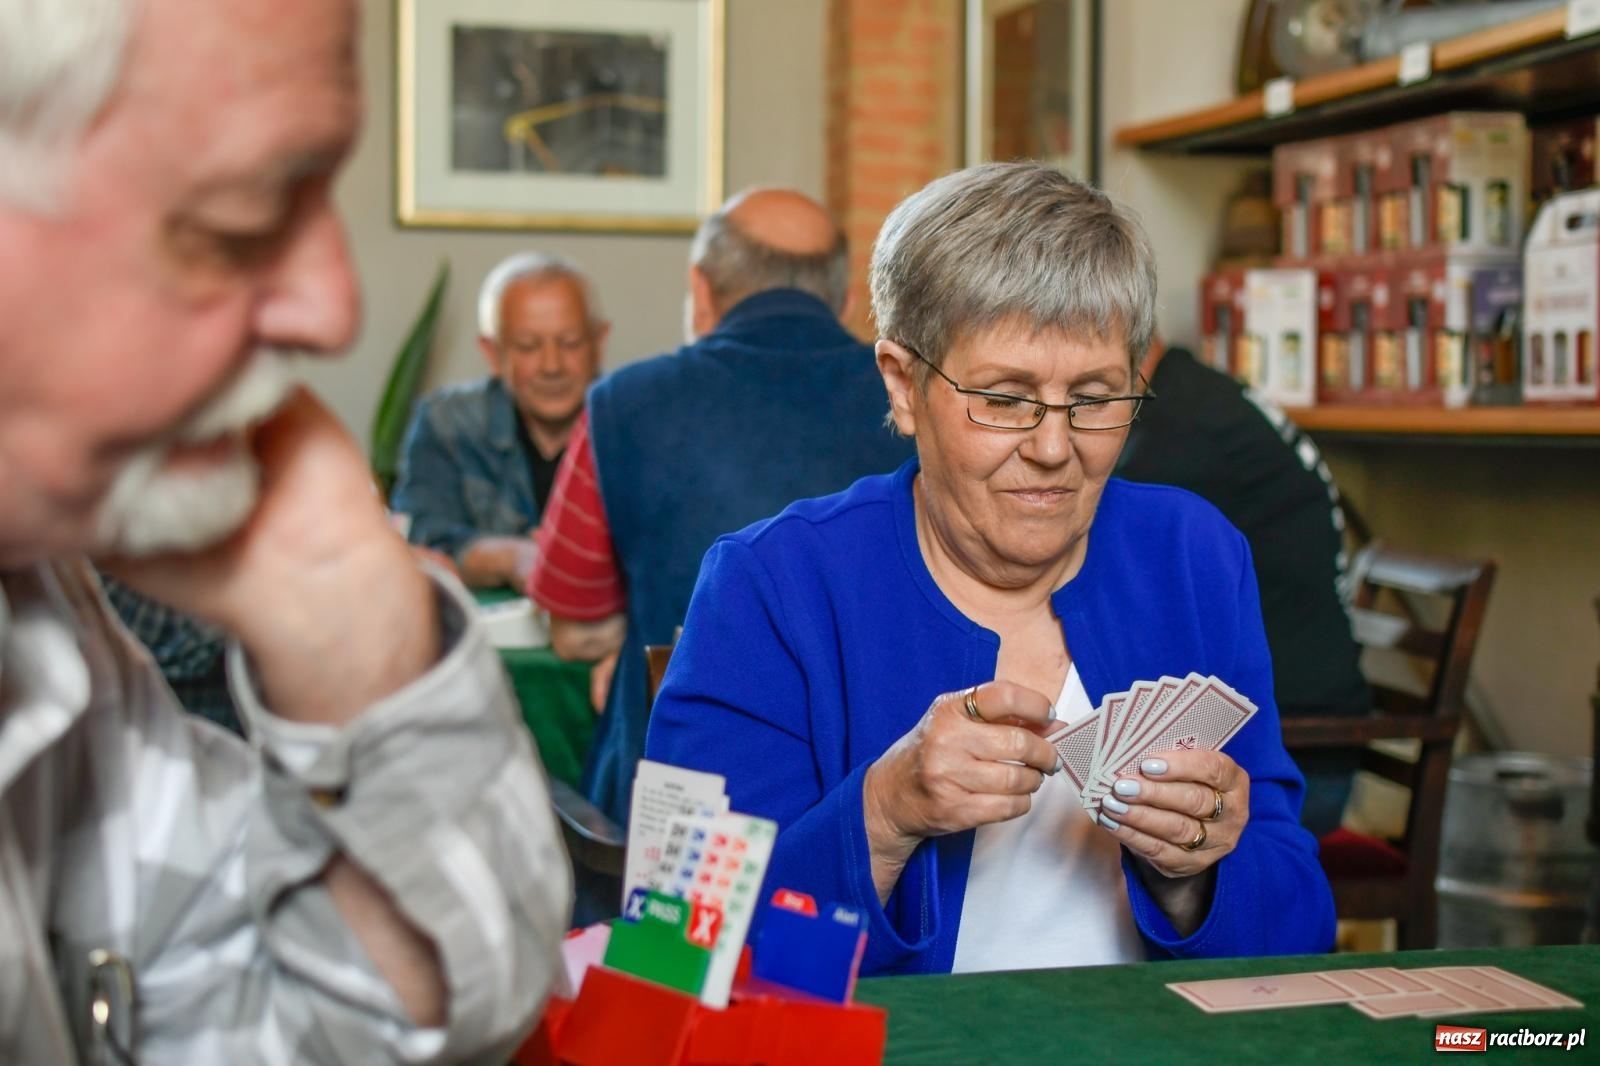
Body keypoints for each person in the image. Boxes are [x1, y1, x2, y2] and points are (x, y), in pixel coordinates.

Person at [0, 0, 570, 1061]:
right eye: (238, 220)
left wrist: (345, 609)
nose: (335, 307)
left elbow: (338, 1025)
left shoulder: (45, 614)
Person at [646, 163, 1334, 976]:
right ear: (903, 387)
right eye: (1004, 398)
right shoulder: (773, 587)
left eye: (1094, 397)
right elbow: (679, 941)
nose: (1053, 448)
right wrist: (884, 813)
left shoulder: (1193, 556)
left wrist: (1200, 874)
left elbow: (1300, 924)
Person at [528, 187, 913, 824]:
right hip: (877, 789)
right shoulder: (913, 401)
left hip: (677, 807)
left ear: (701, 292)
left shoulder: (622, 404)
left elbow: (574, 631)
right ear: (846, 300)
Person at [1116, 342, 1370, 837]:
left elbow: (1118, 578)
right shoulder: (1199, 396)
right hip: (1305, 720)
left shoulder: (1187, 433)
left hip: (1294, 759)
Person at [391, 251, 607, 588]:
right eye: (527, 346)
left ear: (599, 342)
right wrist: (512, 557)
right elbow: (420, 535)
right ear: (493, 353)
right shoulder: (446, 422)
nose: (552, 366)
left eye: (570, 343)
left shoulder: (633, 424)